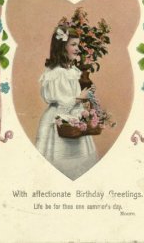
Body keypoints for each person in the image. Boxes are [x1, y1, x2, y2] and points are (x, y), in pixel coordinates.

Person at [35, 25, 98, 180]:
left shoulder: (72, 71)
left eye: (78, 44)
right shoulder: (56, 72)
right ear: (62, 47)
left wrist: (86, 95)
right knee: (58, 165)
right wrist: (79, 97)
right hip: (58, 120)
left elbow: (75, 99)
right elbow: (61, 104)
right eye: (73, 45)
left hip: (73, 119)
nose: (77, 48)